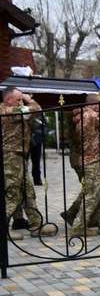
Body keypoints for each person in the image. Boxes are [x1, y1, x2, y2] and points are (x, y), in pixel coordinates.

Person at [2, 88, 55, 240]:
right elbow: (37, 109)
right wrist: (28, 99)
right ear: (8, 99)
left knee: (28, 191)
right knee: (12, 192)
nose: (21, 101)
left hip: (18, 156)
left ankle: (36, 224)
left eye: (21, 99)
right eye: (18, 99)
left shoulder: (13, 109)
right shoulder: (9, 110)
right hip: (11, 156)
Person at [68, 94, 100, 237]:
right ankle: (78, 227)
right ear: (95, 104)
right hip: (92, 159)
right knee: (92, 195)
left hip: (88, 158)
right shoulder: (92, 116)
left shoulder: (82, 115)